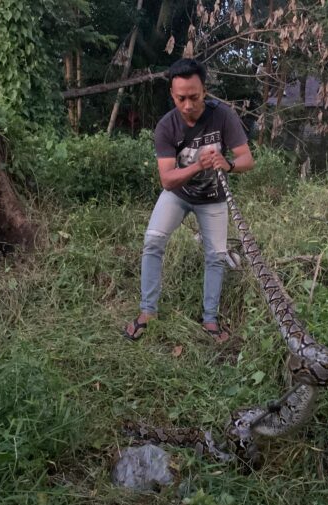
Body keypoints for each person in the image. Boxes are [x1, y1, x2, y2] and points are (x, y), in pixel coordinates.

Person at [123, 59, 254, 343]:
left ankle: (210, 319)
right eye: (181, 98)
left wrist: (227, 164)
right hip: (178, 195)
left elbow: (247, 159)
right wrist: (197, 166)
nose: (187, 105)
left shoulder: (224, 117)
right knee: (153, 241)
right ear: (172, 95)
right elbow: (167, 180)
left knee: (216, 257)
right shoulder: (166, 126)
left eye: (194, 97)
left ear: (204, 91)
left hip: (214, 198)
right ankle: (147, 312)